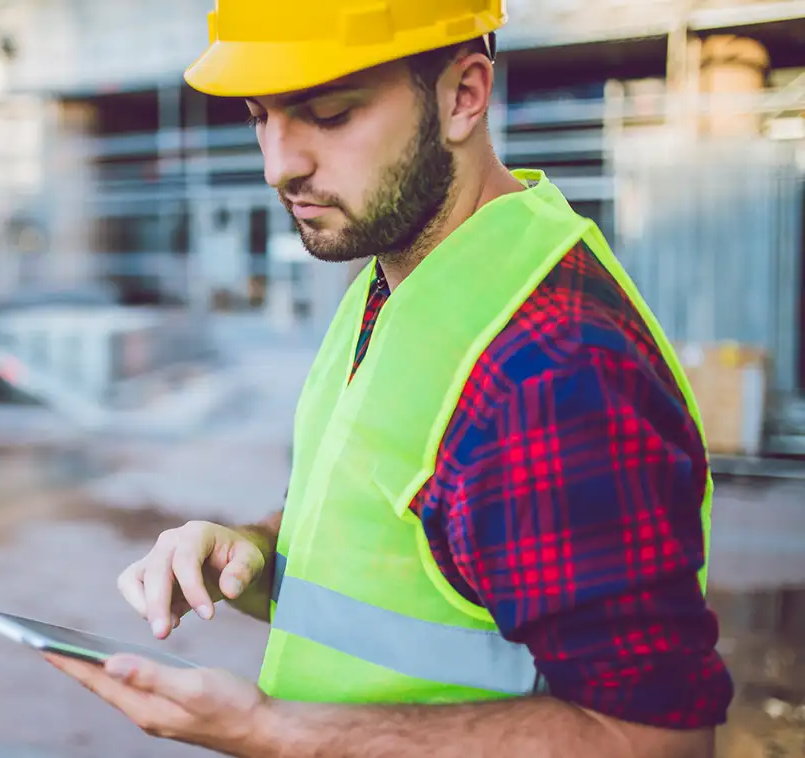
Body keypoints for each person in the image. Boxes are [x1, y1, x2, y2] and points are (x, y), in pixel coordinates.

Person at [44, 2, 734, 756]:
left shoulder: (555, 370)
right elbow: (401, 537)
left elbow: (655, 740)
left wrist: (267, 729)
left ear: (463, 96)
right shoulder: (395, 281)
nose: (280, 166)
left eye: (330, 115)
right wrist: (245, 551)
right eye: (259, 117)